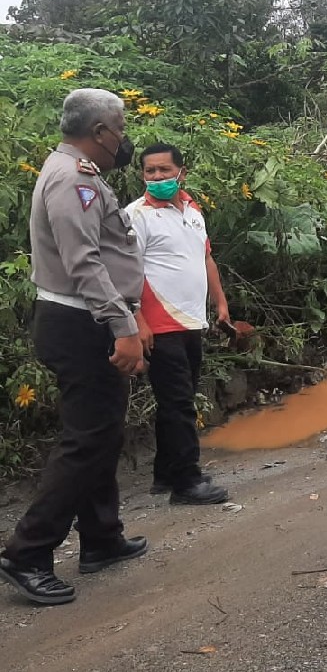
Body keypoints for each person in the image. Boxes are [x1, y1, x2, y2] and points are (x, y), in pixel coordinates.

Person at [0, 88, 148, 606]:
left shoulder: (79, 173)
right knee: (87, 439)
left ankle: (101, 538)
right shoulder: (73, 179)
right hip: (80, 321)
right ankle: (28, 552)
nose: (124, 137)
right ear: (101, 131)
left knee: (103, 433)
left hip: (88, 318)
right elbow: (84, 262)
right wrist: (122, 324)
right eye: (121, 127)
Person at [125, 143, 230, 505]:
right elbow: (126, 272)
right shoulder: (136, 216)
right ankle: (187, 482)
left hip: (192, 322)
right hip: (159, 324)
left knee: (177, 400)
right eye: (149, 172)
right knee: (179, 402)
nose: (156, 178)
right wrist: (137, 321)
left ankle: (165, 474)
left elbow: (206, 259)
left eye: (164, 171)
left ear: (181, 173)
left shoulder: (193, 210)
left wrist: (221, 303)